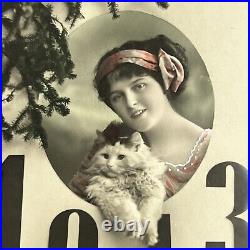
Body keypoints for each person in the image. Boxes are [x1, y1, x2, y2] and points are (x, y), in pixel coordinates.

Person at [69, 34, 212, 199]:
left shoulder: (209, 148)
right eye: (117, 97)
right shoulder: (111, 143)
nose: (130, 103)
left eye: (139, 86)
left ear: (166, 80)